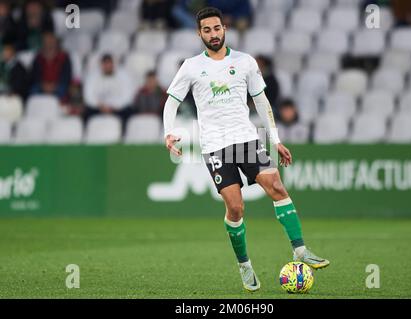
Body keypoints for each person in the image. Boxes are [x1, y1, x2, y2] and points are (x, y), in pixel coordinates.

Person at [163, 7, 329, 292]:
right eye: (207, 30)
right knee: (236, 208)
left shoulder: (245, 62)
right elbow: (171, 101)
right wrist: (169, 131)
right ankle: (244, 264)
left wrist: (275, 139)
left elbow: (262, 102)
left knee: (275, 185)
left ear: (224, 28)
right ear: (199, 33)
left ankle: (300, 250)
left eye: (217, 28)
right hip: (215, 146)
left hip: (246, 140)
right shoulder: (191, 66)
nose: (213, 34)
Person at [83, 54, 135, 126]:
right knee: (85, 114)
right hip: (99, 108)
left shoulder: (124, 75)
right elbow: (88, 96)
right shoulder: (92, 76)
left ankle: (123, 135)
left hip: (118, 108)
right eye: (105, 64)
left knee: (130, 113)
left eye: (109, 63)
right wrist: (100, 106)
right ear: (101, 65)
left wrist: (113, 107)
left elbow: (127, 96)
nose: (107, 66)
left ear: (113, 64)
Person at [29, 32, 72, 100]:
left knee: (63, 90)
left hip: (58, 86)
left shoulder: (64, 57)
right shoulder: (38, 57)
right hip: (42, 85)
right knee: (33, 90)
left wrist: (54, 86)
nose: (49, 43)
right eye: (47, 41)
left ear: (56, 42)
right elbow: (34, 75)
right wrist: (43, 85)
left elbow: (66, 76)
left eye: (51, 40)